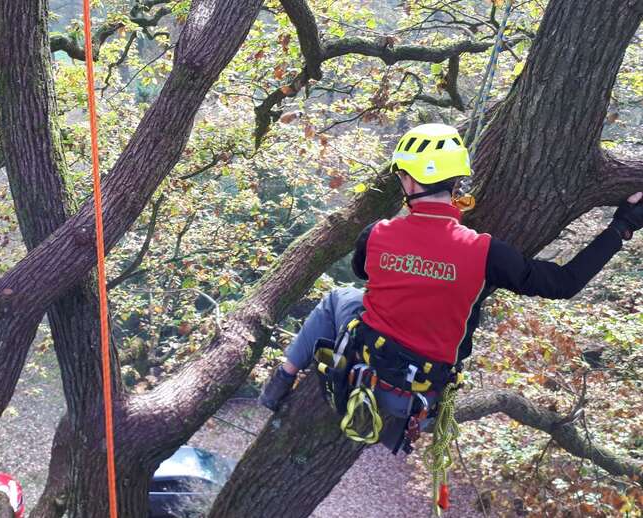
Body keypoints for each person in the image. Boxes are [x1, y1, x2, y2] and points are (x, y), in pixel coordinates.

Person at [260, 123, 643, 451]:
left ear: (409, 180)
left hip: (366, 370)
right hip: (421, 401)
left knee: (337, 298)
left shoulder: (376, 234)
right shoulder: (484, 252)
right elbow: (564, 283)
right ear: (457, 180)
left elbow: (363, 274)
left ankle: (281, 380)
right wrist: (620, 227)